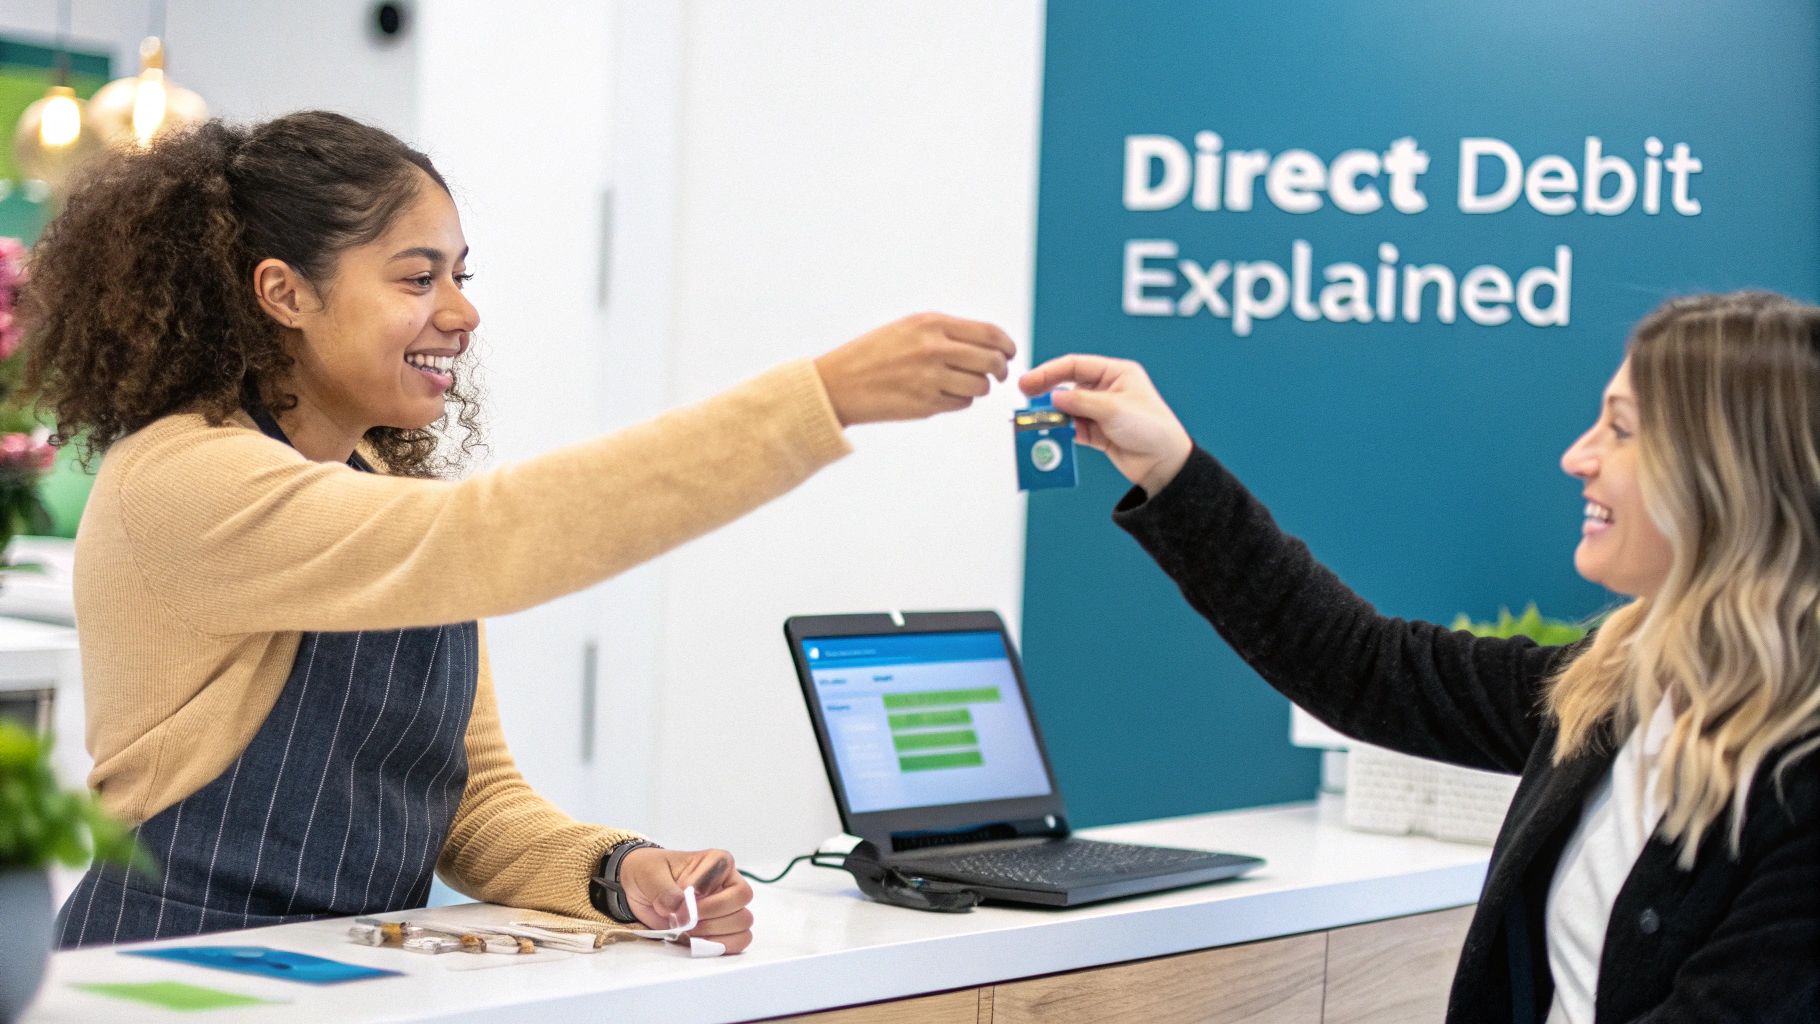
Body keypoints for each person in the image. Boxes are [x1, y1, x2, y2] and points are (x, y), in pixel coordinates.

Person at [21, 111, 1017, 954]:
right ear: (284, 293)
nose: (461, 311)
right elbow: (487, 533)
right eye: (418, 279)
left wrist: (618, 871)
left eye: (460, 275)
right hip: (174, 970)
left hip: (349, 974)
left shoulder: (367, 490)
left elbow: (473, 802)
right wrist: (819, 398)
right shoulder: (186, 478)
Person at [1019, 291, 1819, 1022]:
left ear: (1728, 477)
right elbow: (1362, 667)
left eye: (1621, 428)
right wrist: (1169, 468)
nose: (1579, 456)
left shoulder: (1800, 784)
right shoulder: (1619, 689)